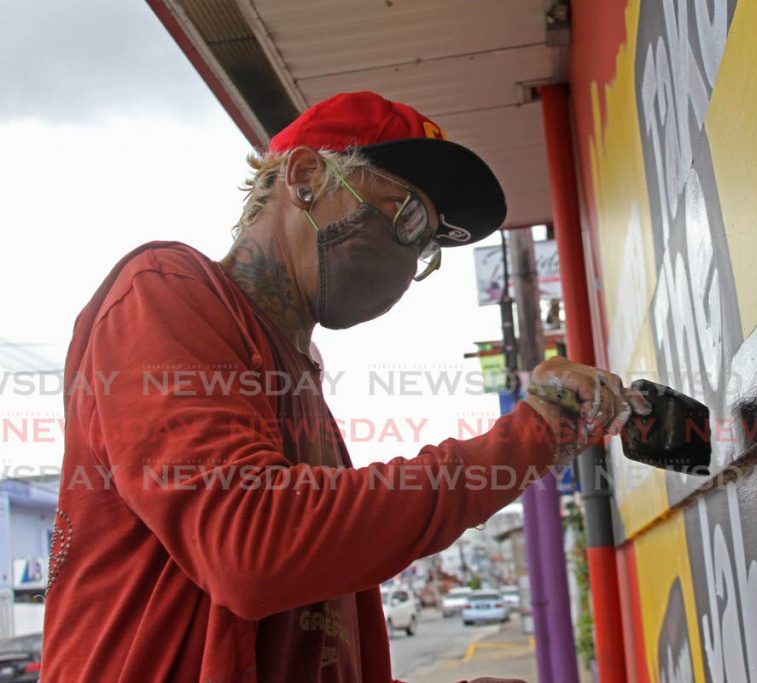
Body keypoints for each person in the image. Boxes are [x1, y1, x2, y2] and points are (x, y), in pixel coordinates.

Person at [40, 91, 648, 682]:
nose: (412, 258)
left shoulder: (301, 389)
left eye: (430, 244)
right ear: (306, 177)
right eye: (406, 214)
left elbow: (309, 645)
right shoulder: (164, 293)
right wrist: (527, 439)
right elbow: (253, 549)